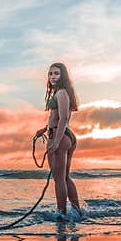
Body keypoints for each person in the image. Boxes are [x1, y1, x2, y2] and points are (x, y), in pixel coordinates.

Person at [34, 62, 83, 220]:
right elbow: (56, 118)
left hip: (60, 136)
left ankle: (61, 213)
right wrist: (44, 129)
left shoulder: (61, 93)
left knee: (59, 179)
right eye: (50, 74)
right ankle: (76, 211)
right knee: (65, 177)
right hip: (64, 135)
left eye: (56, 73)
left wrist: (55, 142)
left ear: (63, 76)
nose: (52, 77)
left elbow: (63, 119)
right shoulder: (62, 92)